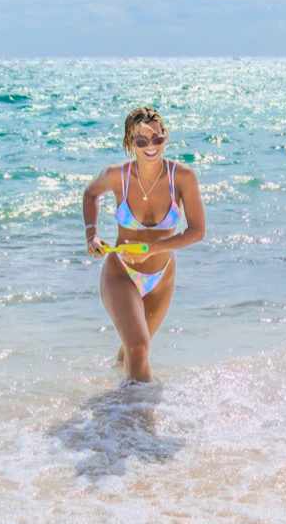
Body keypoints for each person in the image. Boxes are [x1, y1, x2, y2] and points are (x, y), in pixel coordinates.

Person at [82, 107, 206, 382]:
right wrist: (92, 234)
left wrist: (154, 249)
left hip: (161, 278)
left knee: (133, 351)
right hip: (121, 272)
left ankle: (117, 409)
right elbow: (90, 194)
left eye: (157, 139)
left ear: (166, 138)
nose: (151, 147)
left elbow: (197, 231)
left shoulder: (182, 177)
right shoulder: (118, 176)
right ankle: (141, 416)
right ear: (130, 143)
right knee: (138, 347)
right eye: (141, 141)